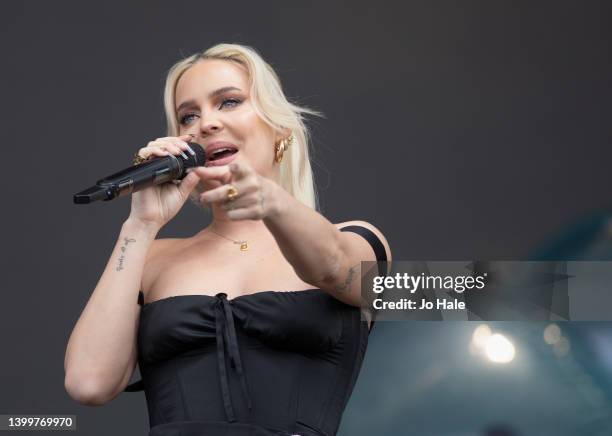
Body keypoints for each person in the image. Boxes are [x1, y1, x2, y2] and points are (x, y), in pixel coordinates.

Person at [64, 43, 391, 436]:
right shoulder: (154, 259)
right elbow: (89, 382)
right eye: (188, 116)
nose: (206, 124)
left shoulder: (357, 239)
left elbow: (334, 266)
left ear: (280, 129)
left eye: (229, 102)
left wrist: (270, 199)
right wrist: (140, 226)